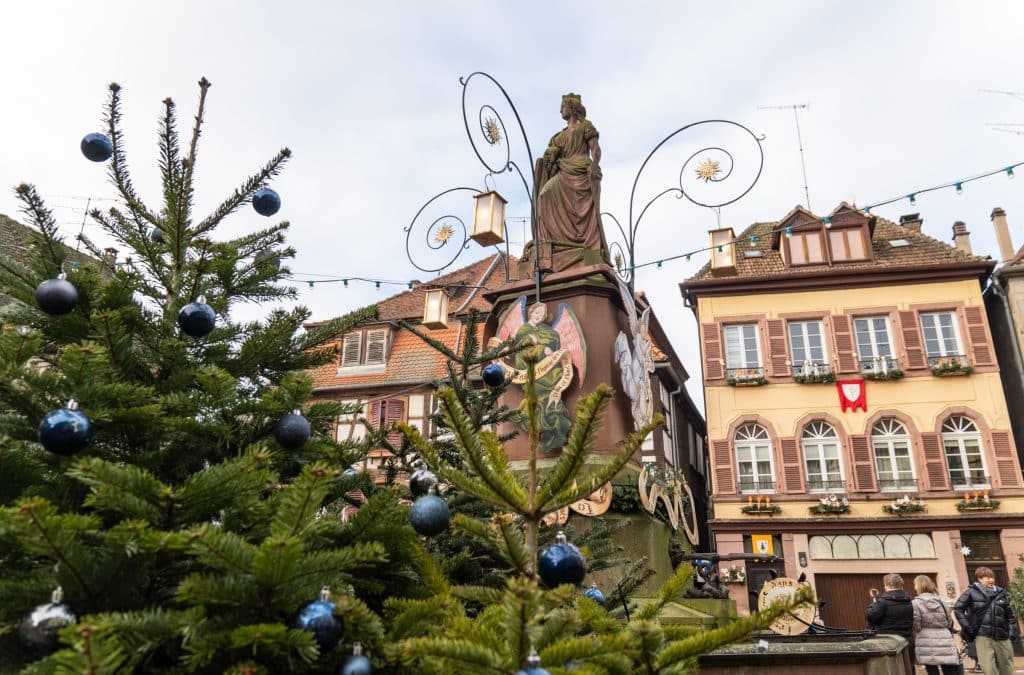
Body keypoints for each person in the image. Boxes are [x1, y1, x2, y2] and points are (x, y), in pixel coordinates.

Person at [527, 93, 609, 272]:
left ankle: (583, 244)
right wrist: (551, 157)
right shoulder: (558, 136)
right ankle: (555, 244)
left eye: (562, 106)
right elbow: (550, 158)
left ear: (572, 108)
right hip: (563, 172)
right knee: (544, 195)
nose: (560, 110)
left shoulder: (586, 127)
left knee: (580, 206)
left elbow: (595, 149)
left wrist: (595, 164)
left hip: (581, 170)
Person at [954, 567, 1019, 675]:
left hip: (1002, 636)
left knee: (1006, 667)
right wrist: (967, 626)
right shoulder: (971, 592)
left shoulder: (1001, 593)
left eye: (992, 577)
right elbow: (958, 608)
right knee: (988, 668)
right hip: (983, 636)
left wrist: (1011, 633)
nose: (991, 580)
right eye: (987, 577)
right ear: (979, 579)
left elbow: (1011, 616)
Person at [912, 575, 962, 675]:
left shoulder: (915, 603)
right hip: (945, 639)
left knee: (932, 671)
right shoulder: (942, 602)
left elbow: (916, 626)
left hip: (925, 641)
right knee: (949, 670)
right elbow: (949, 622)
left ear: (918, 586)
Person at [866, 573, 915, 663]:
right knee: (909, 668)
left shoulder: (883, 602)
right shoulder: (909, 601)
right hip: (907, 642)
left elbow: (871, 616)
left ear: (887, 585)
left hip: (889, 643)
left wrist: (874, 600)